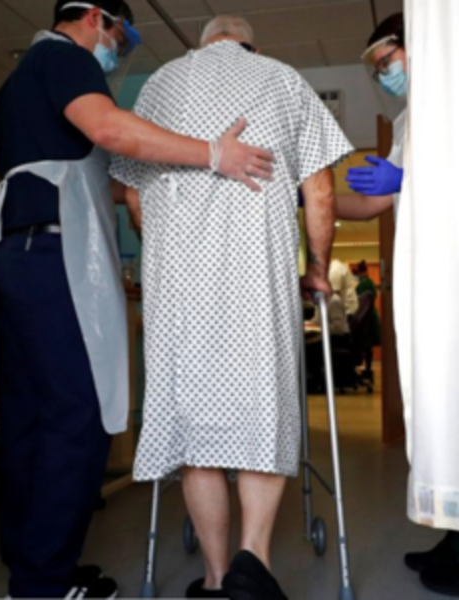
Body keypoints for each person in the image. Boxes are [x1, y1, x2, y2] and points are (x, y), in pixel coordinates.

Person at [0, 2, 275, 598]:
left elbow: (101, 178)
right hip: (55, 257)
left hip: (17, 256)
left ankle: (35, 571)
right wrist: (214, 154)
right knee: (76, 416)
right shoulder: (66, 59)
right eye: (124, 36)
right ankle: (43, 585)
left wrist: (177, 180)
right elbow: (111, 131)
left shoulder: (17, 84)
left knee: (28, 420)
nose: (120, 49)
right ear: (97, 17)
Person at [110, 15, 353, 600]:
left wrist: (158, 249)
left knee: (194, 428)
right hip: (258, 285)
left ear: (202, 46)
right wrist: (317, 267)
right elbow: (320, 191)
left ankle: (216, 578)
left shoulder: (161, 83)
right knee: (262, 416)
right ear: (252, 47)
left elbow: (134, 196)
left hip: (179, 295)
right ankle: (253, 564)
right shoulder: (283, 78)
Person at [340, 12, 459, 597]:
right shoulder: (413, 118)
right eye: (379, 67)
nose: (385, 74)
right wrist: (311, 196)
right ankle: (454, 534)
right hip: (427, 281)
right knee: (440, 409)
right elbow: (375, 204)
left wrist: (407, 182)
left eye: (389, 60)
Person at [354, 260, 381, 382]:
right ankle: (368, 369)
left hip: (365, 319)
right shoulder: (369, 282)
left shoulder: (363, 284)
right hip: (370, 316)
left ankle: (367, 369)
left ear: (361, 272)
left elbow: (358, 301)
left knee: (365, 345)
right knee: (367, 347)